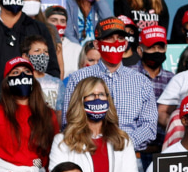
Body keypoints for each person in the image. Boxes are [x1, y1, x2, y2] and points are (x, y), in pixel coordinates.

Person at [60, 18, 158, 150]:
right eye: (109, 38)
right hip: (88, 153)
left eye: (120, 38)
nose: (116, 42)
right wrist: (95, 145)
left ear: (125, 43)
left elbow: (149, 126)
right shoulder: (78, 78)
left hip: (130, 155)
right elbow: (68, 123)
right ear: (96, 44)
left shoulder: (142, 82)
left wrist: (125, 144)